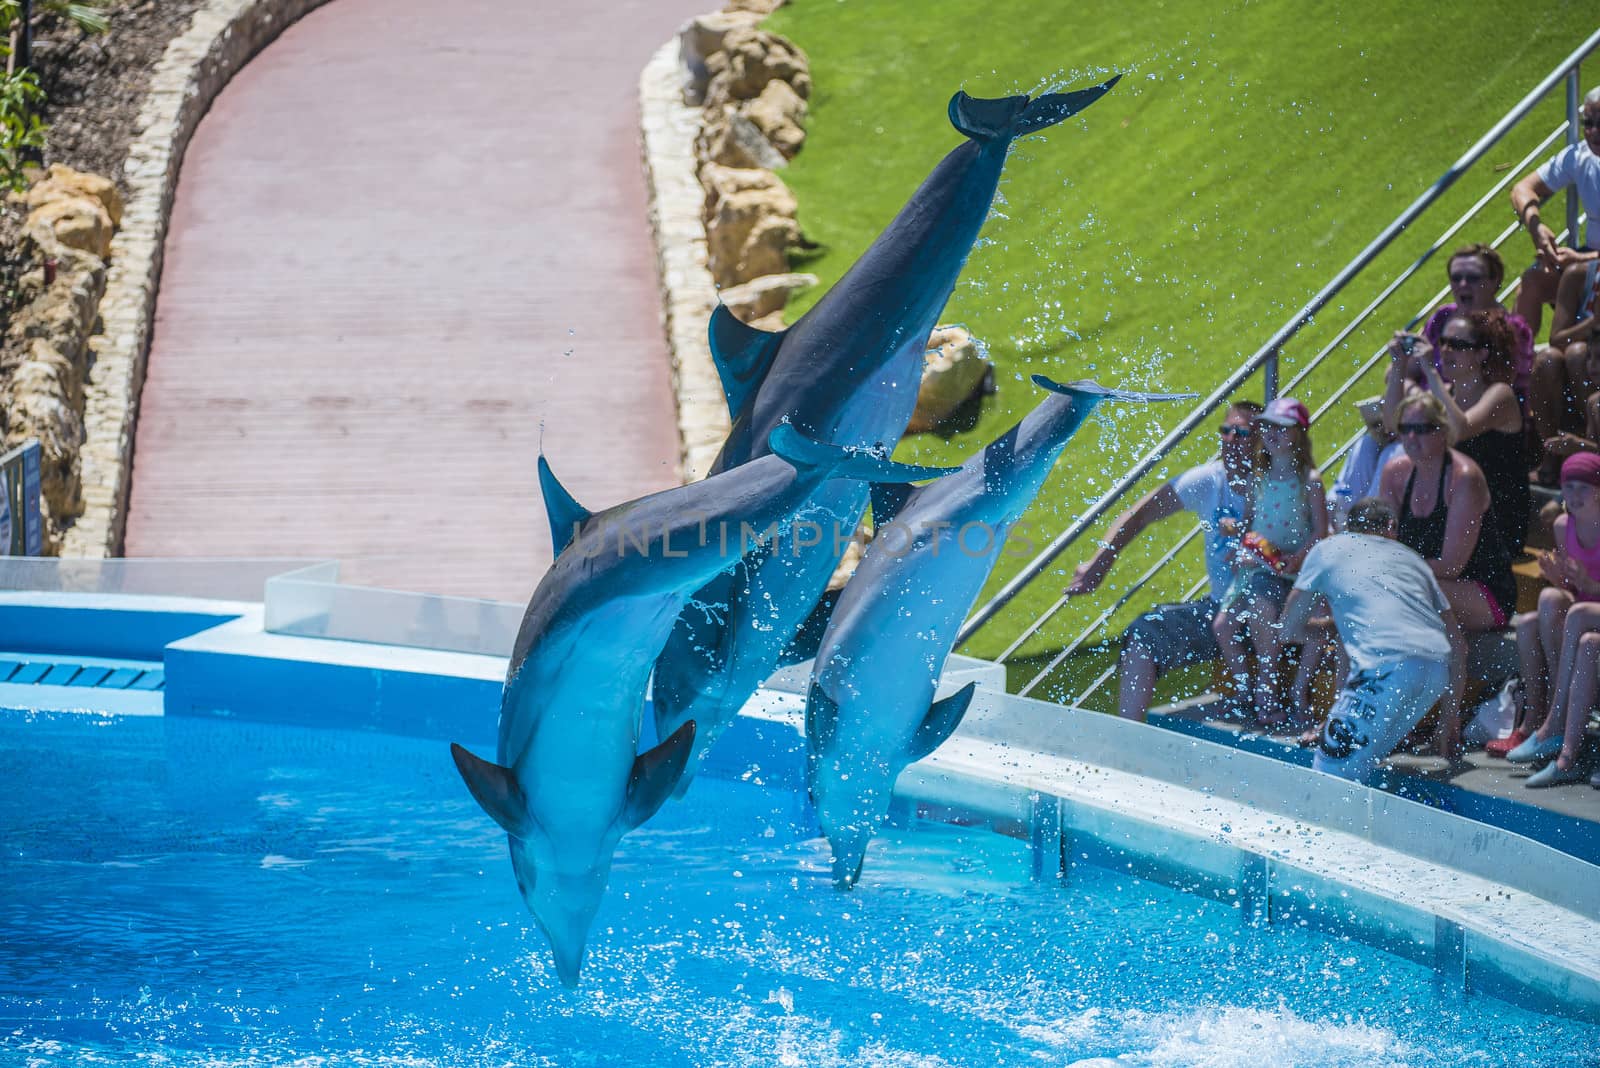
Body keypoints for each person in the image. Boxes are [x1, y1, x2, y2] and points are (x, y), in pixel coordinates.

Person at [1065, 400, 1263, 722]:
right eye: (1226, 430)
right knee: (1144, 632)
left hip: (1271, 609)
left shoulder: (1280, 486)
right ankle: (1128, 735)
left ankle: (1263, 701)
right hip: (1221, 611)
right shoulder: (1210, 481)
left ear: (1262, 440)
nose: (1230, 439)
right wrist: (1099, 563)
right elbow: (1140, 513)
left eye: (1242, 432)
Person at [1271, 497, 1462, 784]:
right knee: (1361, 769)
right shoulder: (1413, 561)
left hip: (1386, 668)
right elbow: (1458, 646)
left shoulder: (1329, 549)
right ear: (1390, 526)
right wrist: (1448, 720)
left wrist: (1327, 628)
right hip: (1435, 674)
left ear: (1348, 526)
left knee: (1329, 778)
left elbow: (1288, 629)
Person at [1377, 391, 1515, 757]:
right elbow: (1378, 544)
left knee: (1405, 598)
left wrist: (1392, 573)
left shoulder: (1465, 478)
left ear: (1444, 431)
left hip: (1483, 593)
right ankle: (1384, 715)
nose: (1411, 437)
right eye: (1405, 428)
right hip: (1423, 587)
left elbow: (1452, 564)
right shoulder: (1395, 473)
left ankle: (1442, 719)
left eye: (1422, 429)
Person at [1212, 396, 1326, 726]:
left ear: (1299, 435)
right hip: (1259, 565)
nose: (1274, 434)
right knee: (1222, 626)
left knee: (1267, 611)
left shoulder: (1309, 481)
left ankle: (1275, 690)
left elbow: (1321, 532)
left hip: (1294, 571)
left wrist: (1297, 557)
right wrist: (1237, 535)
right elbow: (1251, 523)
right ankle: (1247, 692)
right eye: (1269, 427)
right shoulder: (1257, 478)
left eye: (1283, 428)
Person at [1385, 312, 1530, 554]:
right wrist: (1399, 366)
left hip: (1496, 523)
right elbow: (1392, 424)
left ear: (1482, 353)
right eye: (1443, 342)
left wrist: (1430, 370)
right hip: (1454, 512)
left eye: (1458, 345)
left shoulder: (1500, 395)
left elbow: (1459, 428)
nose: (1447, 350)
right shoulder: (1444, 396)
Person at [1503, 452, 1600, 764]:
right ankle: (1536, 718)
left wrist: (1590, 584)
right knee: (1540, 609)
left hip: (1589, 611)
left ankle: (1556, 720)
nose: (1574, 495)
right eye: (1568, 487)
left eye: (1583, 487)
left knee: (1577, 613)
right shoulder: (1563, 526)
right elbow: (1573, 590)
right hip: (1584, 609)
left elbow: (1588, 592)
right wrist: (1560, 579)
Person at [1510, 87, 1600, 340]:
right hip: (1588, 261)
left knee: (1573, 274)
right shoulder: (1581, 155)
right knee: (1533, 281)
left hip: (1588, 263)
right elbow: (1522, 189)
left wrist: (1583, 261)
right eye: (1588, 123)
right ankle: (1516, 365)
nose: (1593, 132)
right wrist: (1536, 226)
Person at [1417, 244, 1535, 401]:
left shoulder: (1512, 330)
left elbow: (1503, 388)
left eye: (1473, 278)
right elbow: (1407, 369)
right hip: (1427, 408)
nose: (1463, 284)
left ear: (1495, 281)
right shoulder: (1442, 317)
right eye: (1456, 278)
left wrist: (1437, 397)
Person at [1531, 259, 1600, 477]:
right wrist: (1594, 322)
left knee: (1578, 355)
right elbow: (1557, 339)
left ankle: (1586, 453)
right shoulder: (1579, 275)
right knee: (1548, 359)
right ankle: (1552, 452)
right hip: (1582, 381)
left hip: (1584, 371)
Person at [1328, 396, 1401, 525]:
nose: (1382, 430)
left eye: (1383, 424)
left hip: (1375, 524)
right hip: (1346, 517)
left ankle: (1366, 520)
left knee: (1392, 451)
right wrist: (1331, 504)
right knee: (1366, 443)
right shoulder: (1366, 444)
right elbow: (1341, 486)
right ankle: (1346, 519)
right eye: (1375, 425)